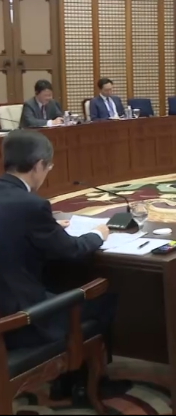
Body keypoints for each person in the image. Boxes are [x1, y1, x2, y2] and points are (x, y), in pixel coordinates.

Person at [0, 130, 130, 399]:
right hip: (19, 324)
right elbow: (72, 250)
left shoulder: (20, 205)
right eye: (48, 168)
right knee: (105, 296)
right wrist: (98, 234)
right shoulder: (31, 205)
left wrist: (48, 229)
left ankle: (69, 379)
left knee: (58, 282)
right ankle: (86, 382)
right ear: (38, 165)